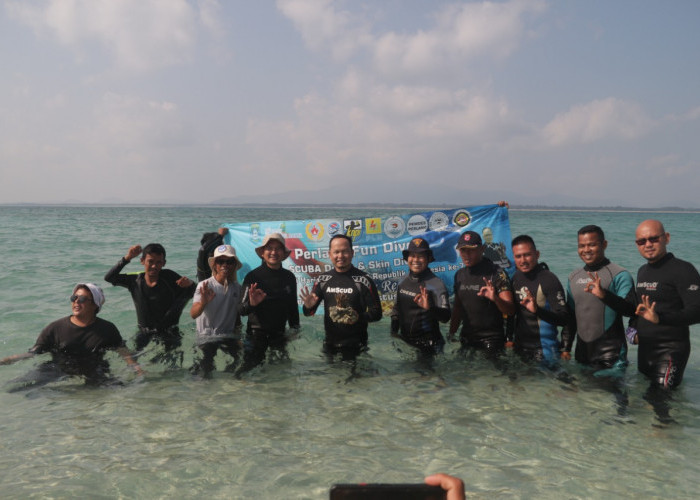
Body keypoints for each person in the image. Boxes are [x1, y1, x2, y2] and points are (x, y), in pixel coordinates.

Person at [587, 220, 700, 421]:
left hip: (671, 350)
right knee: (649, 398)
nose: (647, 244)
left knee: (659, 398)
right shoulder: (643, 271)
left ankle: (664, 436)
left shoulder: (684, 270)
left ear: (666, 238)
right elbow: (633, 309)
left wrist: (660, 318)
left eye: (653, 238)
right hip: (646, 351)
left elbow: (697, 311)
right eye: (641, 241)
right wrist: (604, 295)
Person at [0, 283, 142, 389]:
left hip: (93, 369)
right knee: (15, 388)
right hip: (58, 368)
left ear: (95, 305)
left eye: (82, 299)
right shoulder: (55, 328)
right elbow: (32, 354)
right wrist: (5, 360)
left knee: (122, 389)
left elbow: (123, 351)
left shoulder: (107, 329)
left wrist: (136, 368)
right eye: (74, 297)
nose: (76, 302)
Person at [104, 243, 196, 365]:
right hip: (144, 332)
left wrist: (190, 283)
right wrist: (127, 258)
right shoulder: (135, 281)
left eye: (159, 262)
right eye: (150, 261)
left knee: (173, 365)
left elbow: (197, 291)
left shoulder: (169, 277)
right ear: (142, 261)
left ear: (164, 263)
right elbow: (109, 278)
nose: (154, 266)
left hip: (169, 332)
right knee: (134, 363)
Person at [563, 225, 634, 372]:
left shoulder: (620, 274)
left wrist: (604, 295)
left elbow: (630, 310)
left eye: (592, 245)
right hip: (582, 355)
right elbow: (570, 316)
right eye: (582, 246)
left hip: (611, 357)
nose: (586, 250)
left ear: (604, 244)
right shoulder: (573, 277)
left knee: (614, 394)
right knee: (581, 395)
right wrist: (566, 347)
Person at [300, 234, 382, 362]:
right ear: (329, 254)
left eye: (345, 252)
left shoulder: (364, 280)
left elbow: (377, 313)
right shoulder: (323, 280)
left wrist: (357, 317)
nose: (340, 256)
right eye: (336, 252)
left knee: (357, 381)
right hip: (330, 344)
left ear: (352, 253)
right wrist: (308, 306)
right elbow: (308, 313)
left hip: (357, 345)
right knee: (330, 381)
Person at [236, 233, 301, 375]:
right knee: (245, 374)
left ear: (284, 253)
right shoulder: (253, 276)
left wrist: (295, 329)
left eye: (278, 248)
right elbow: (240, 310)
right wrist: (252, 304)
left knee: (283, 375)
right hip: (256, 335)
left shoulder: (289, 277)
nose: (273, 252)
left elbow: (292, 307)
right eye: (269, 248)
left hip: (279, 335)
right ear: (262, 253)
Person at [449, 230, 515, 358]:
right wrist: (451, 333)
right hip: (467, 337)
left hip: (491, 340)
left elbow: (511, 310)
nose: (466, 255)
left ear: (482, 249)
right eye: (463, 250)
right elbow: (458, 308)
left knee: (498, 376)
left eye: (471, 250)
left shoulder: (497, 273)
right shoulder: (460, 275)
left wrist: (495, 298)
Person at [510, 235, 570, 366]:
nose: (523, 260)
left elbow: (564, 318)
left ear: (537, 254)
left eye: (527, 255)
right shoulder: (515, 277)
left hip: (545, 349)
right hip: (520, 347)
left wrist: (537, 310)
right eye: (518, 256)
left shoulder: (549, 279)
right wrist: (509, 338)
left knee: (555, 386)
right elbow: (513, 313)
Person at [390, 237, 450, 361]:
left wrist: (430, 308)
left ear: (428, 259)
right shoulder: (403, 281)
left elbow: (445, 317)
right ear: (407, 258)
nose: (416, 260)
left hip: (429, 345)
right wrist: (394, 334)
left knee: (427, 378)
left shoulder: (436, 284)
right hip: (405, 341)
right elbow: (396, 310)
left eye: (421, 256)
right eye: (412, 255)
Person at [190, 245, 243, 378]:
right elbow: (193, 314)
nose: (225, 265)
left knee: (239, 365)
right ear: (215, 265)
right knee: (205, 372)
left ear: (234, 265)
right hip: (206, 337)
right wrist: (203, 302)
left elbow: (236, 314)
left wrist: (238, 336)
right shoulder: (205, 285)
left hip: (227, 336)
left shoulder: (237, 288)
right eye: (220, 261)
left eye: (229, 262)